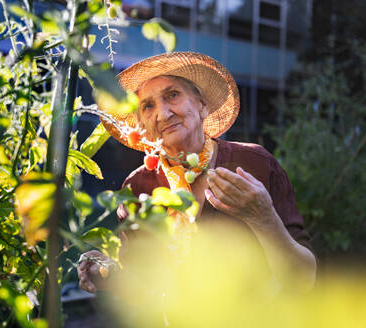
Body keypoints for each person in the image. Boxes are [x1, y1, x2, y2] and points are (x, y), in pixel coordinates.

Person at [77, 52, 316, 295]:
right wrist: (106, 270)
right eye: (148, 106)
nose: (163, 114)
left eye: (172, 95)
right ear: (142, 128)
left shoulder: (254, 163)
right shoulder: (136, 187)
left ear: (202, 106)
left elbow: (303, 279)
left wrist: (263, 217)